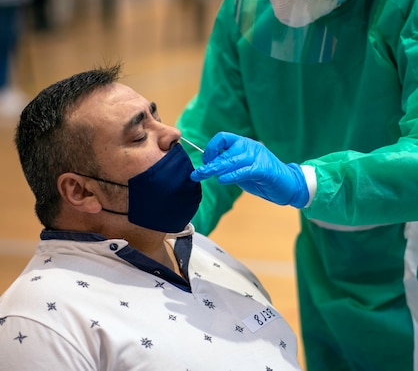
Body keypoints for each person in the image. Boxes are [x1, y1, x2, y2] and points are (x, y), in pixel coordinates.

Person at [177, 0, 418, 371]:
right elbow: (209, 140)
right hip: (322, 252)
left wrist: (308, 183)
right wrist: (166, 222)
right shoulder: (247, 15)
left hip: (407, 251)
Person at [0, 64, 302, 371]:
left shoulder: (206, 252)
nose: (173, 133)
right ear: (80, 192)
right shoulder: (42, 324)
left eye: (156, 118)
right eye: (139, 135)